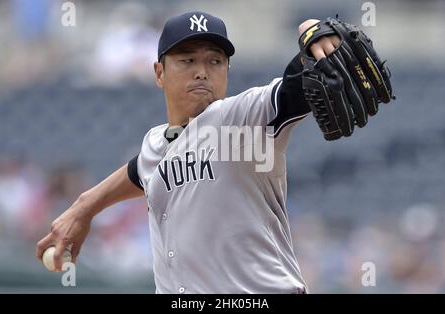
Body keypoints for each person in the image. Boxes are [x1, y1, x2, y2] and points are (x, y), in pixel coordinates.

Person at [36, 11, 340, 294]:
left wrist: (313, 35)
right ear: (159, 73)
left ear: (227, 71)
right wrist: (84, 207)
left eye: (215, 61)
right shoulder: (156, 143)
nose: (202, 72)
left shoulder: (242, 117)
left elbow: (294, 88)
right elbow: (141, 170)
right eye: (187, 60)